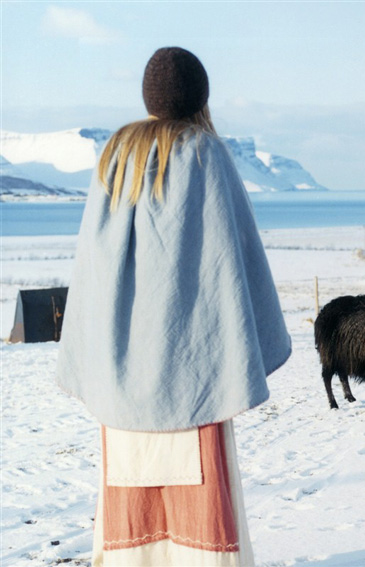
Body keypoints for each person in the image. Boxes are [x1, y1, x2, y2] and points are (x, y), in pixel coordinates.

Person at [55, 47, 292, 566]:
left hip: (121, 374)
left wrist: (98, 352)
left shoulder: (118, 154)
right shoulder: (205, 153)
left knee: (128, 493)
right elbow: (234, 259)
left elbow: (93, 264)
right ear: (200, 97)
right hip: (196, 369)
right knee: (202, 496)